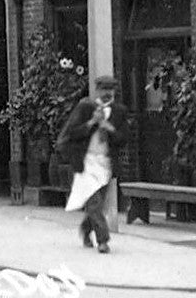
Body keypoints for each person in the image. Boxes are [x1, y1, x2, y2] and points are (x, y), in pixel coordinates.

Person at [61, 74, 129, 254]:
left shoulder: (119, 111)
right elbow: (72, 133)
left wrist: (109, 128)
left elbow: (123, 139)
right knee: (94, 202)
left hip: (105, 163)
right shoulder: (85, 108)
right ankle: (103, 240)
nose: (107, 93)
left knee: (98, 204)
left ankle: (86, 228)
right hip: (87, 162)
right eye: (104, 89)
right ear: (97, 90)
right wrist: (92, 122)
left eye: (110, 89)